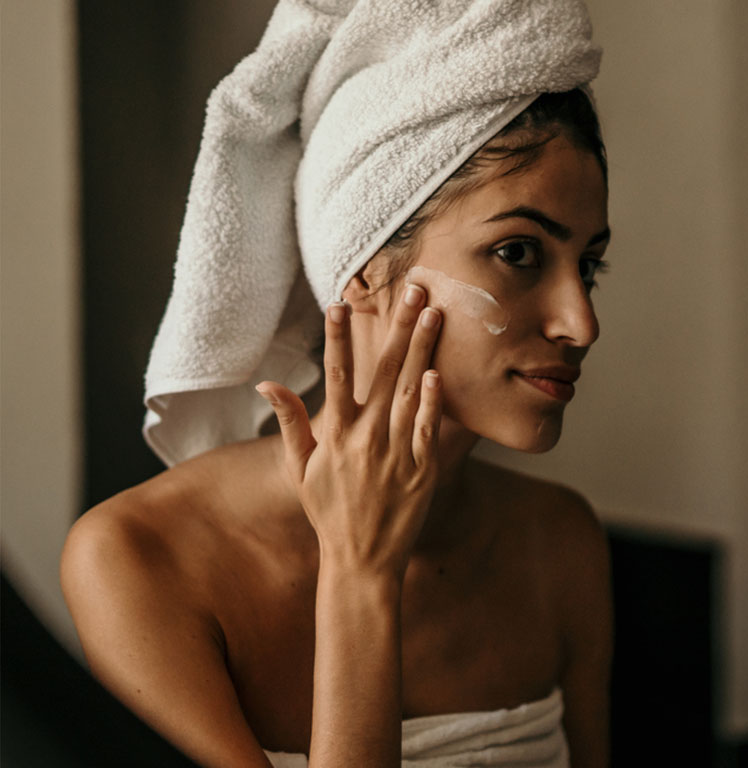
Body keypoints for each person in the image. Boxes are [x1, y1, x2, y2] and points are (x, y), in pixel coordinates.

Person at [60, 2, 612, 767]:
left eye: (588, 264)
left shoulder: (561, 545)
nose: (580, 324)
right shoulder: (140, 561)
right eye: (518, 253)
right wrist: (360, 573)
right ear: (362, 273)